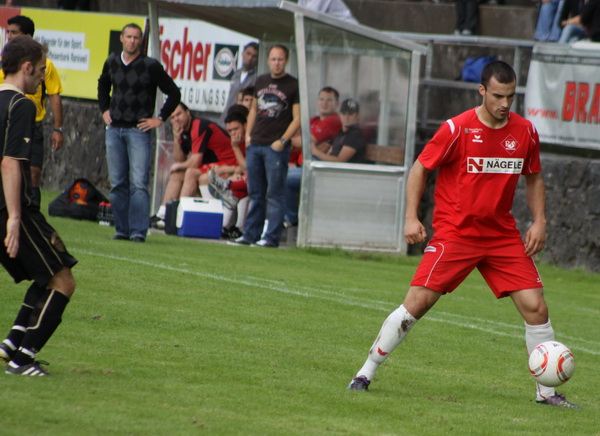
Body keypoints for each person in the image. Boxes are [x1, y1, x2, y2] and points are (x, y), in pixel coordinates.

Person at [346, 61, 580, 409]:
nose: (504, 103)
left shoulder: (525, 131)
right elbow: (420, 168)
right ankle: (365, 373)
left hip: (501, 236)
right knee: (417, 304)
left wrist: (540, 220)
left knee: (536, 307)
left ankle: (546, 395)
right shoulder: (456, 129)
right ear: (481, 90)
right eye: (498, 96)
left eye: (510, 96)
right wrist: (411, 217)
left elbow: (533, 177)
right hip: (456, 233)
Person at [0, 36, 77, 376]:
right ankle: (23, 360)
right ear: (27, 67)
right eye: (42, 70)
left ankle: (11, 344)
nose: (42, 78)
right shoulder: (22, 105)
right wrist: (15, 218)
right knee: (63, 281)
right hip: (12, 208)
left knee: (46, 273)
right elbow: (9, 162)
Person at [97, 23, 180, 243]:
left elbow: (173, 92)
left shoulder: (150, 66)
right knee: (117, 183)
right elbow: (103, 84)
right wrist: (104, 109)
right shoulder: (112, 61)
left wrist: (160, 118)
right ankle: (122, 229)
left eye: (136, 37)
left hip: (138, 130)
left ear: (141, 41)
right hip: (114, 129)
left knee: (139, 184)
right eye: (129, 37)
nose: (132, 41)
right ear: (122, 38)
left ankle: (138, 231)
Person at [232, 44, 300, 248]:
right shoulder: (261, 80)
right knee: (255, 192)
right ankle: (250, 234)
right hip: (256, 144)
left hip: (276, 147)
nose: (276, 63)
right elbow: (254, 109)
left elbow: (297, 118)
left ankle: (271, 237)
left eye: (280, 59)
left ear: (286, 61)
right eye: (273, 59)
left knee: (275, 194)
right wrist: (248, 136)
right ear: (268, 61)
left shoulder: (293, 84)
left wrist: (283, 141)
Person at [0, 15, 64, 207]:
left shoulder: (45, 66)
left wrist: (58, 128)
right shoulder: (18, 100)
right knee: (13, 164)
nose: (10, 36)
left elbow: (54, 95)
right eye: (8, 32)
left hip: (33, 123)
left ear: (27, 36)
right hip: (10, 117)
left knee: (32, 172)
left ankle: (31, 205)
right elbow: (9, 163)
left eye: (14, 32)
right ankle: (20, 210)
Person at [152, 103, 240, 227]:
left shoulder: (198, 125)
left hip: (228, 165)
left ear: (188, 113)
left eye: (179, 114)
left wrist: (179, 165)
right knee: (177, 174)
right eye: (172, 117)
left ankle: (178, 217)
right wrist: (176, 139)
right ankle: (163, 214)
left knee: (190, 172)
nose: (176, 119)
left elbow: (195, 162)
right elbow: (180, 159)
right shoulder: (183, 131)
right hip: (211, 167)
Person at [284, 86, 342, 228]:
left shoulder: (333, 121)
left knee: (282, 177)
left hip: (318, 169)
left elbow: (301, 142)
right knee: (273, 172)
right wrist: (296, 142)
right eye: (322, 99)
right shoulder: (314, 120)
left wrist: (284, 140)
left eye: (329, 100)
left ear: (337, 104)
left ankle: (291, 219)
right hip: (302, 164)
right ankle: (285, 218)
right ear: (317, 101)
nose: (324, 103)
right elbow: (300, 142)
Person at [311, 98, 367, 164]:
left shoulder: (355, 135)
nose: (346, 117)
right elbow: (330, 153)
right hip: (330, 167)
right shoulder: (342, 133)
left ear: (357, 115)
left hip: (342, 169)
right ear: (339, 115)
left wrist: (315, 152)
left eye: (350, 114)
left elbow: (340, 161)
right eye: (343, 113)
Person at [219, 42, 259, 126]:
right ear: (243, 53)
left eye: (254, 56)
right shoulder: (236, 74)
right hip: (226, 117)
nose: (250, 58)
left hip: (241, 120)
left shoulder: (257, 77)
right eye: (248, 54)